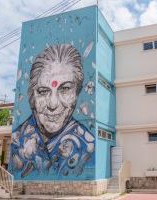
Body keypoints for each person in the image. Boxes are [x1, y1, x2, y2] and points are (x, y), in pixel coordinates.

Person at [10, 44, 95, 178]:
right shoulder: (16, 141)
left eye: (65, 89)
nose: (53, 104)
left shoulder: (87, 146)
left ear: (77, 93)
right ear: (32, 96)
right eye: (43, 91)